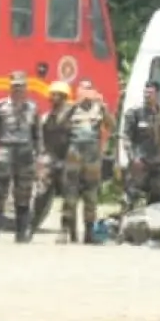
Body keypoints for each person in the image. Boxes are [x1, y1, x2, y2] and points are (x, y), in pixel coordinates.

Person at [0, 72, 40, 242]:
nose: (18, 89)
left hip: (25, 152)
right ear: (10, 87)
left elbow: (37, 135)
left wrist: (39, 157)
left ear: (26, 88)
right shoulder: (0, 107)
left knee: (24, 192)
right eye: (15, 86)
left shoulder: (33, 108)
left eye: (21, 86)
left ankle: (21, 233)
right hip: (5, 151)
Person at [61, 80, 109, 242]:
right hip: (74, 157)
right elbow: (59, 124)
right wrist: (74, 105)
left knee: (91, 196)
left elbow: (112, 126)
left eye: (89, 89)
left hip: (92, 158)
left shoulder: (99, 109)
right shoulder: (71, 108)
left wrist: (104, 108)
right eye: (83, 89)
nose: (86, 92)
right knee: (70, 196)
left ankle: (89, 233)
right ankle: (66, 231)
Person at [122, 80, 160, 212]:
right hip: (140, 162)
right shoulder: (135, 113)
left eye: (150, 93)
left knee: (157, 196)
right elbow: (126, 137)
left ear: (157, 94)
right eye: (145, 92)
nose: (147, 95)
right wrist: (133, 157)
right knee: (131, 196)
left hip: (158, 162)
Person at [37, 81, 80, 243]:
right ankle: (30, 227)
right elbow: (41, 139)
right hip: (51, 160)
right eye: (52, 95)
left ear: (63, 97)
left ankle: (67, 230)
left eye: (56, 95)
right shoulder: (47, 117)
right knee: (41, 194)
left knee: (69, 197)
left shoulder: (73, 115)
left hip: (69, 160)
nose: (52, 98)